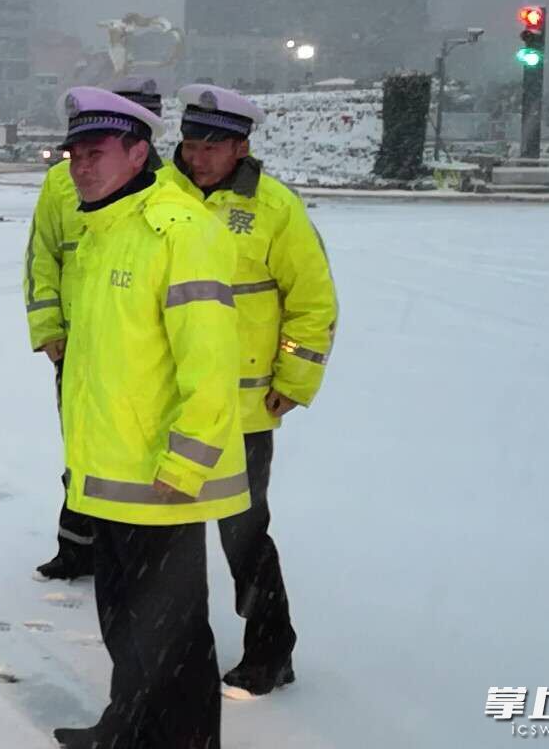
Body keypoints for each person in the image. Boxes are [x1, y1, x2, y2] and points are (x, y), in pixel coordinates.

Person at [49, 87, 246, 749]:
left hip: (160, 479)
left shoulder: (179, 232)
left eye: (96, 152)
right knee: (124, 622)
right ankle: (126, 730)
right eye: (74, 154)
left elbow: (210, 365)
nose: (81, 166)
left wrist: (186, 461)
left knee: (175, 637)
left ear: (139, 154)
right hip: (110, 470)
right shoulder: (103, 230)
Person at [166, 84, 338, 698]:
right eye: (190, 144)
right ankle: (170, 649)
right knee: (166, 534)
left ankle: (270, 651)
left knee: (243, 533)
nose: (197, 157)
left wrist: (293, 379)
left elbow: (312, 303)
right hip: (170, 401)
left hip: (243, 408)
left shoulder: (275, 209)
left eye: (211, 147)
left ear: (241, 147)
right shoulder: (159, 197)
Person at [23, 76, 171, 582]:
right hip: (76, 345)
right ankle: (77, 547)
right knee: (81, 446)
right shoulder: (61, 183)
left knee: (131, 453)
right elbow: (42, 257)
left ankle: (128, 555)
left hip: (135, 348)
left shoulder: (170, 187)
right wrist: (48, 327)